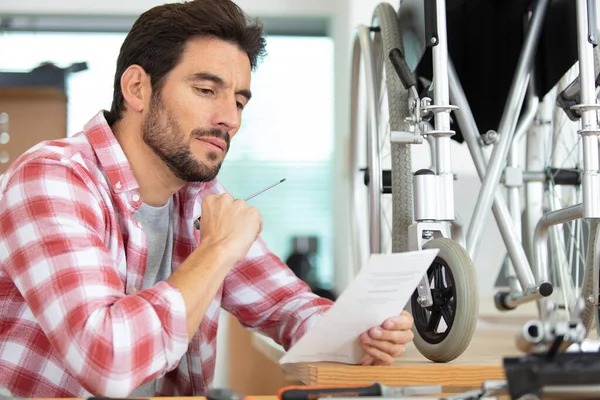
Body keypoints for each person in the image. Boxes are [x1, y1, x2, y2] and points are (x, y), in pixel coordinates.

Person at [0, 0, 415, 398]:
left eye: (238, 101)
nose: (230, 119)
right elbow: (109, 363)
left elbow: (284, 307)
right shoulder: (53, 177)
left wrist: (356, 331)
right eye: (205, 90)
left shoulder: (200, 198)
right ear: (137, 88)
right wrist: (217, 250)